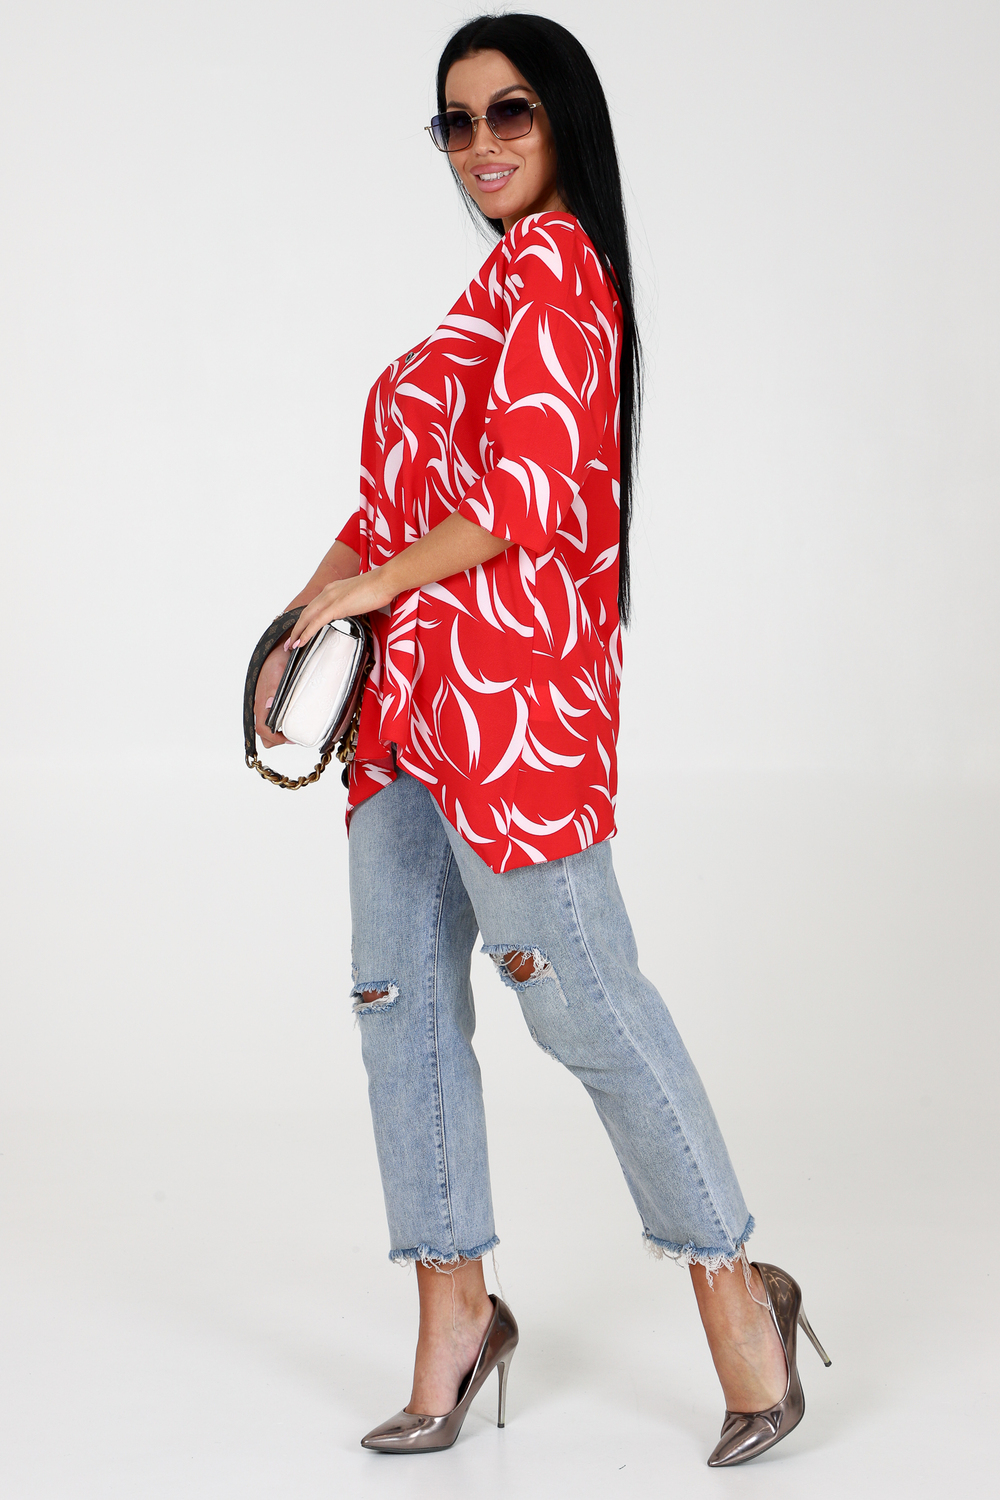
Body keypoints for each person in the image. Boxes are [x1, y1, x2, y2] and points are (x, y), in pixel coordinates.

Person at [253, 12, 829, 1466]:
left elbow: (519, 505)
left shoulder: (564, 276)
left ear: (561, 118)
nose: (482, 143)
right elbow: (390, 509)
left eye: (508, 111)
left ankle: (739, 1298)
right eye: (456, 122)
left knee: (583, 1003)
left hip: (515, 719)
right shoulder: (485, 296)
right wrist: (307, 615)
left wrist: (370, 587)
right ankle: (455, 1314)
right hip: (404, 717)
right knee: (396, 1007)